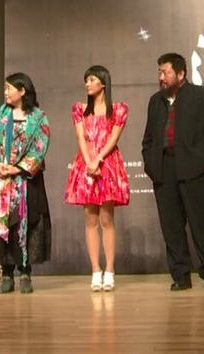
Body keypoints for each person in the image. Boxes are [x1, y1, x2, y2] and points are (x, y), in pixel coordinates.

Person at [142, 53, 204, 291]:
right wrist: (150, 164)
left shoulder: (202, 96)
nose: (161, 77)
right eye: (159, 72)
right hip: (163, 169)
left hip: (193, 168)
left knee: (201, 224)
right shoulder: (155, 101)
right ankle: (180, 275)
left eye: (166, 72)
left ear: (181, 74)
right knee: (171, 227)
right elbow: (148, 139)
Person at [0, 73, 51, 294]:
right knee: (4, 225)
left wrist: (19, 168)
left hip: (26, 181)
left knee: (26, 225)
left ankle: (26, 273)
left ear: (22, 91)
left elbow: (40, 146)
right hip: (2, 181)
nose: (6, 92)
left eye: (9, 88)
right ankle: (6, 274)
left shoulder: (38, 118)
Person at [65, 65, 129, 292]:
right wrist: (89, 162)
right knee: (90, 220)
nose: (88, 84)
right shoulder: (79, 109)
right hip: (86, 166)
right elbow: (81, 138)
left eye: (92, 80)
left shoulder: (118, 109)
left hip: (108, 165)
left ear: (103, 83)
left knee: (107, 219)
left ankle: (110, 270)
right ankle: (95, 270)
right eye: (86, 80)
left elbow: (114, 138)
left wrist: (99, 159)